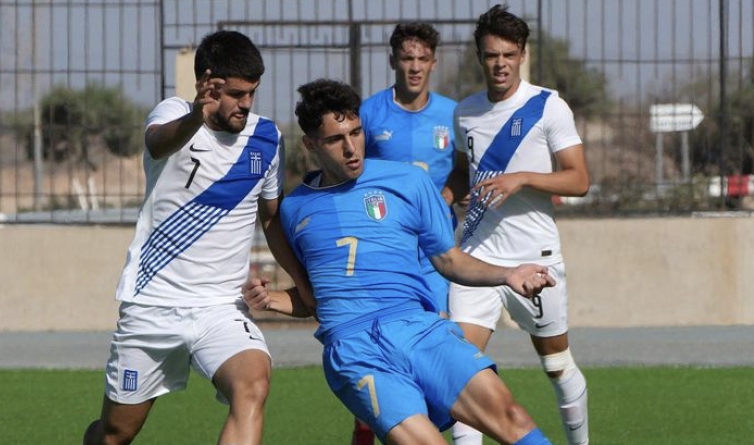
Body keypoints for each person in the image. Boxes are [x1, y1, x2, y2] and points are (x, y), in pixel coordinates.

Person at [243, 78, 555, 445]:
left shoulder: (409, 182)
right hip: (355, 350)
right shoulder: (295, 209)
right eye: (335, 140)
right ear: (311, 144)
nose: (351, 148)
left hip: (419, 329)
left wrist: (508, 274)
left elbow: (449, 260)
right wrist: (271, 299)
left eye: (356, 133)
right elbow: (316, 299)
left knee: (512, 417)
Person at [83, 30, 308, 445]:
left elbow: (271, 219)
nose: (246, 103)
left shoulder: (267, 138)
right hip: (153, 306)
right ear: (209, 84)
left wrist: (302, 282)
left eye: (252, 92)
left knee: (253, 385)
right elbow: (157, 143)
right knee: (115, 434)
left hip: (221, 307)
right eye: (236, 93)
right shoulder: (174, 114)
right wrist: (195, 117)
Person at [444, 5, 591, 445]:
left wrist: (522, 178)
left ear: (523, 54)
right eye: (492, 55)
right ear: (479, 57)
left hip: (534, 257)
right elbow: (461, 172)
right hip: (476, 256)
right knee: (461, 369)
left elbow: (579, 180)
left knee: (556, 365)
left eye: (509, 55)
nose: (501, 64)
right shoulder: (465, 112)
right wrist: (443, 199)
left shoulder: (548, 107)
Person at [354, 21, 459, 444]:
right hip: (385, 257)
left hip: (434, 258)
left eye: (422, 58)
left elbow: (463, 172)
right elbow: (351, 174)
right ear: (393, 60)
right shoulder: (369, 113)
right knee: (377, 359)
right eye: (407, 58)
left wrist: (445, 198)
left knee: (436, 355)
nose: (414, 67)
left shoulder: (453, 115)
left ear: (434, 62)